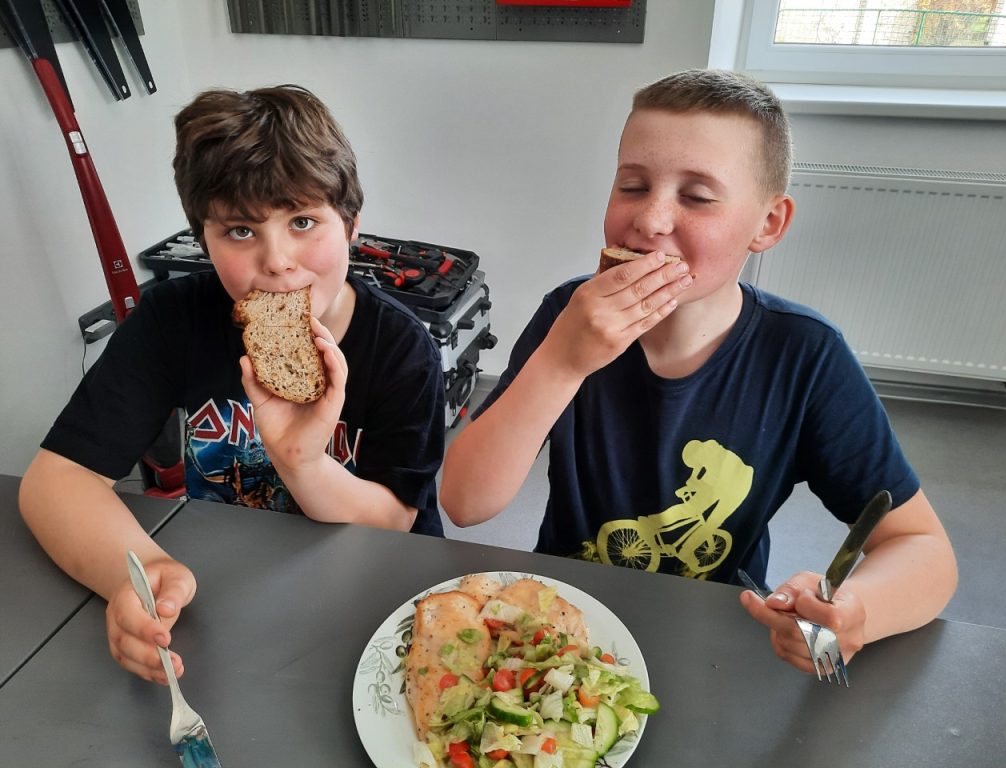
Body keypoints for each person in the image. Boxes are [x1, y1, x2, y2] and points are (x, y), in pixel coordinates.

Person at [440, 69, 957, 675]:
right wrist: (562, 360)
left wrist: (856, 608)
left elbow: (923, 548)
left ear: (768, 223)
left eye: (697, 197)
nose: (651, 219)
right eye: (633, 185)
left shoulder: (803, 356)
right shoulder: (567, 317)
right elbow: (465, 502)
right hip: (565, 625)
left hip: (715, 637)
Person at [20, 85, 446, 684]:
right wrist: (140, 571)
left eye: (303, 222)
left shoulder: (401, 348)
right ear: (205, 241)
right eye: (241, 231)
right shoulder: (174, 318)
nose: (277, 261)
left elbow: (394, 523)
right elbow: (58, 479)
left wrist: (302, 463)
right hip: (226, 601)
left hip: (374, 603)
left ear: (351, 226)